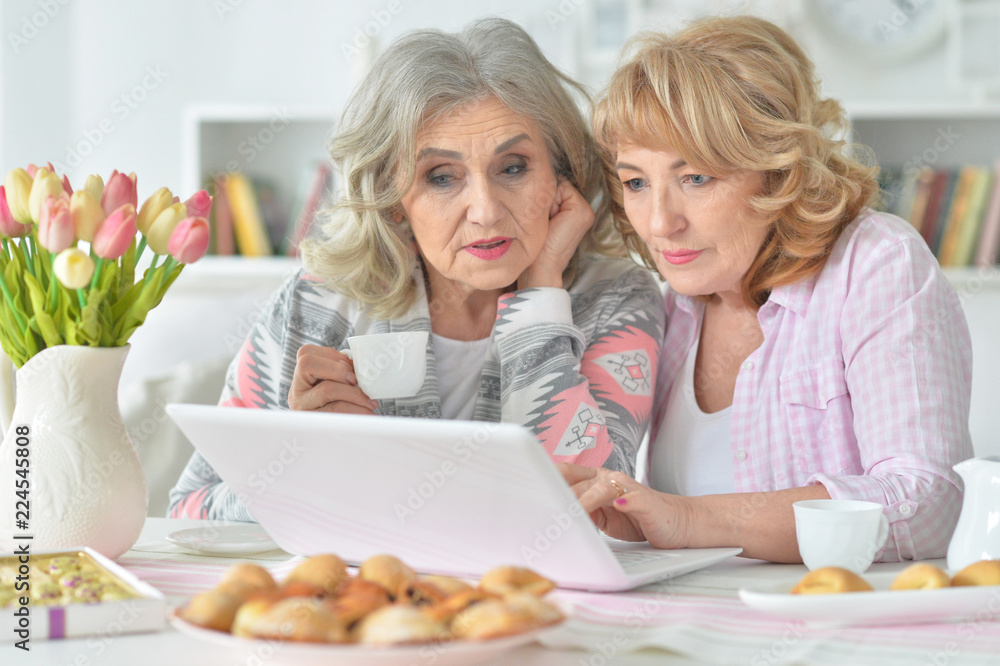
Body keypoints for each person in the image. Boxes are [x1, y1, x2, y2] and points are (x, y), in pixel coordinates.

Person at [168, 18, 665, 521]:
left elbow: (602, 512)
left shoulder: (617, 300)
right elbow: (191, 511)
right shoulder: (318, 303)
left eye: (513, 167)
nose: (486, 210)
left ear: (562, 174)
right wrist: (308, 459)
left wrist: (540, 295)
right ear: (394, 200)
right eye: (441, 177)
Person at [560, 16, 973, 563]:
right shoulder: (671, 306)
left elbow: (929, 502)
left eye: (696, 178)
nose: (659, 222)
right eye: (636, 182)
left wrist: (687, 518)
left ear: (778, 171)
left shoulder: (876, 263)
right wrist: (636, 518)